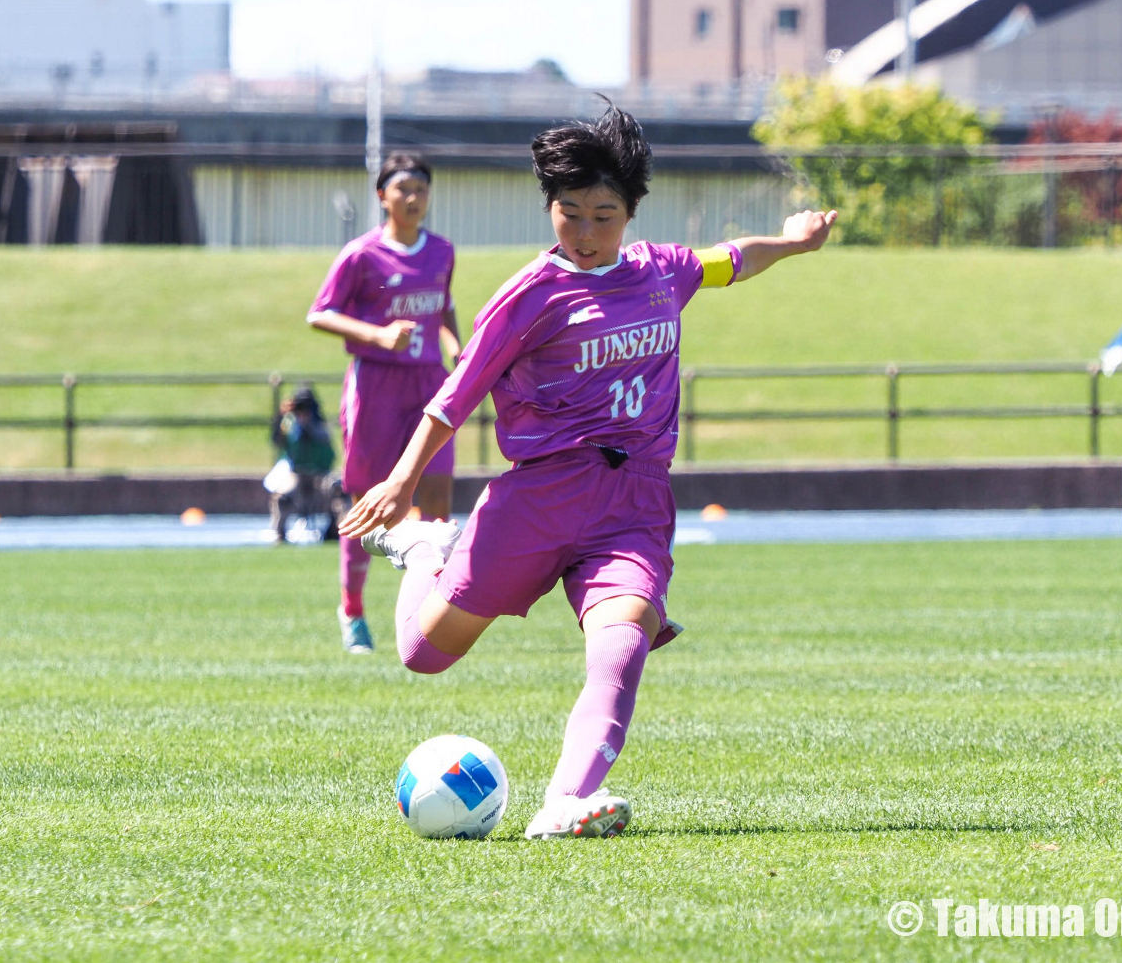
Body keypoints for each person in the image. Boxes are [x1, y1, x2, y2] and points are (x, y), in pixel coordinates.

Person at [340, 102, 836, 839]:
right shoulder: (530, 295)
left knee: (626, 632)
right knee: (423, 656)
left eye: (603, 215)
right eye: (568, 214)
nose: (584, 232)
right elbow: (455, 395)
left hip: (633, 499)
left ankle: (564, 801)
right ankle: (425, 551)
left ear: (630, 212)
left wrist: (794, 245)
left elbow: (736, 257)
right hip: (541, 496)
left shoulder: (664, 271)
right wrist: (403, 486)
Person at [307, 153, 461, 654]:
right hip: (375, 387)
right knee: (369, 505)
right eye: (403, 189)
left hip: (429, 387)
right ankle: (352, 610)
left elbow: (444, 303)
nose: (413, 198)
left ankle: (428, 614)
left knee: (436, 500)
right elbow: (320, 314)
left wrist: (454, 342)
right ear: (383, 196)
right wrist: (376, 334)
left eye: (421, 188)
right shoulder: (361, 254)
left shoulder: (441, 252)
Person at [267, 385, 336, 543]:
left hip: (320, 473)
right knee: (281, 496)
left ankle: (335, 531)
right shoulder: (289, 423)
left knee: (338, 491)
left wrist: (308, 424)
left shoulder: (320, 423)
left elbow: (323, 439)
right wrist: (280, 417)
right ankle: (279, 534)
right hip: (296, 473)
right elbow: (276, 441)